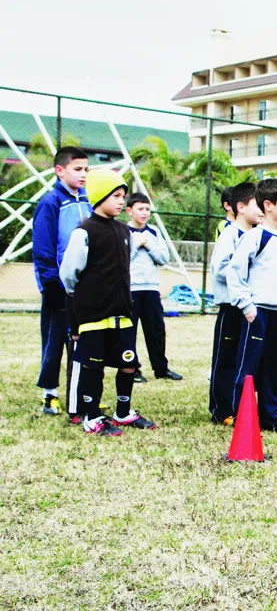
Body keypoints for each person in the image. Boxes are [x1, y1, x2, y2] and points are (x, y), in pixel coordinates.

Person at [59, 169, 156, 435]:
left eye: (123, 196)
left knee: (128, 363)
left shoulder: (124, 230)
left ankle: (123, 413)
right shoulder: (84, 232)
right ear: (99, 196)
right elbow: (69, 275)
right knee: (93, 365)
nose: (121, 201)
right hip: (93, 316)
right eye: (115, 196)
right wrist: (80, 307)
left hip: (122, 314)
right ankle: (92, 417)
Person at [226, 178, 277, 432]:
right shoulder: (254, 237)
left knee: (273, 365)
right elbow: (235, 274)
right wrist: (247, 306)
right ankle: (241, 414)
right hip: (257, 313)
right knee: (249, 365)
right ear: (268, 205)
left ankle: (271, 416)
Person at [32, 146, 92, 418]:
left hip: (83, 285)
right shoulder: (50, 202)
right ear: (59, 170)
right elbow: (43, 247)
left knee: (83, 341)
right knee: (54, 341)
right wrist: (50, 283)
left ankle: (81, 394)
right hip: (58, 286)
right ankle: (50, 394)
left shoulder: (88, 201)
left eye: (86, 169)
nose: (83, 174)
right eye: (77, 169)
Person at [208, 181, 262, 425]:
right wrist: (242, 273)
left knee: (244, 359)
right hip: (231, 307)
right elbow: (221, 269)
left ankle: (240, 406)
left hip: (250, 306)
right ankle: (221, 410)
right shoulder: (231, 234)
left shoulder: (256, 235)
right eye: (257, 204)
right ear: (241, 207)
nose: (262, 210)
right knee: (226, 358)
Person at [125, 193, 182, 383]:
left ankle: (161, 369)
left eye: (147, 209)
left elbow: (164, 258)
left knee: (156, 330)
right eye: (140, 209)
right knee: (129, 331)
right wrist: (136, 244)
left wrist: (149, 245)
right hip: (130, 289)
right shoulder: (123, 231)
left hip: (151, 289)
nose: (144, 213)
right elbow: (122, 259)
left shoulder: (154, 232)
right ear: (129, 211)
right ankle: (132, 369)